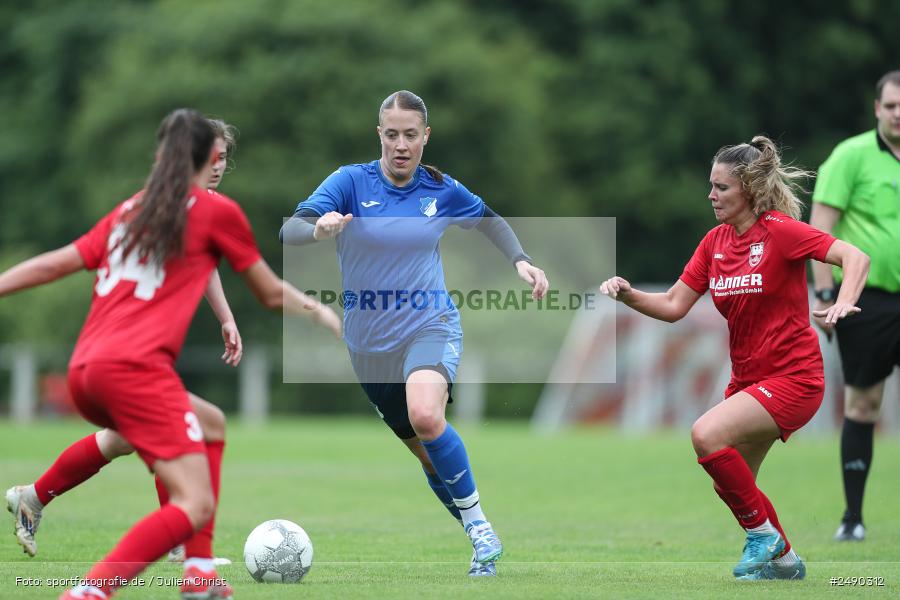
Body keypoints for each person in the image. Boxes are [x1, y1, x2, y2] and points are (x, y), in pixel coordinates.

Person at [0, 108, 341, 600]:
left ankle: (198, 571)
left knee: (211, 422)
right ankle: (89, 592)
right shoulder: (213, 210)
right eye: (218, 156)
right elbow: (268, 293)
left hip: (86, 371)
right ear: (206, 159)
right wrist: (315, 309)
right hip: (132, 370)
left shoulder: (131, 210)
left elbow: (57, 262)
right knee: (195, 503)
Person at [280, 90, 549, 577]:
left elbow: (489, 220)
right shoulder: (348, 182)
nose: (400, 144)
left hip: (430, 324)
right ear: (378, 135)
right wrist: (318, 229)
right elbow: (289, 231)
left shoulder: (440, 189)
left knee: (426, 415)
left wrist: (522, 260)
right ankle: (478, 534)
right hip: (367, 347)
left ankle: (481, 528)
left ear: (425, 136)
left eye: (410, 134)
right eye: (391, 134)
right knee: (428, 457)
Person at [600, 136, 869, 580]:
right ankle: (783, 561)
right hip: (749, 381)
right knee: (734, 482)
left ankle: (767, 539)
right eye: (711, 186)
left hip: (795, 378)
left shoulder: (780, 231)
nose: (711, 195)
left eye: (721, 188)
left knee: (706, 434)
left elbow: (853, 256)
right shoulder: (715, 243)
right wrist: (627, 295)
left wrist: (843, 300)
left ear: (749, 189)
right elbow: (672, 306)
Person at [6, 118, 240, 568]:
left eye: (224, 157)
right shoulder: (165, 206)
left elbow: (206, 263)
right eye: (209, 157)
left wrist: (225, 317)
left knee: (123, 439)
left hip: (137, 346)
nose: (216, 165)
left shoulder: (200, 206)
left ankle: (32, 496)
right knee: (182, 428)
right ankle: (174, 546)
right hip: (131, 345)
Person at [809, 70, 900, 542]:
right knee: (864, 403)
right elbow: (820, 230)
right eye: (891, 105)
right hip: (867, 301)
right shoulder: (851, 156)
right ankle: (853, 518)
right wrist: (825, 295)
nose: (898, 114)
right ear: (877, 108)